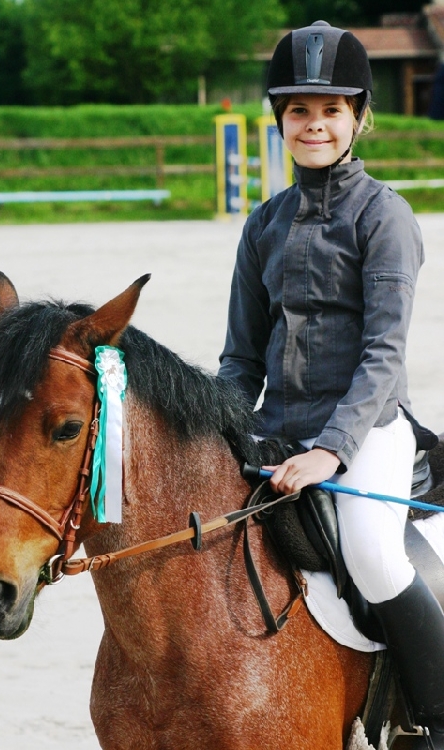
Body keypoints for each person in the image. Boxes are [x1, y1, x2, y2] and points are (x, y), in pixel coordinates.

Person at [218, 20, 444, 747]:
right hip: (277, 431)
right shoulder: (264, 223)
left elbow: (383, 354)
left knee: (375, 557)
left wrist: (332, 452)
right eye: (298, 111)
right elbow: (240, 360)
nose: (314, 125)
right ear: (280, 120)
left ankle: (436, 718)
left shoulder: (386, 217)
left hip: (366, 429)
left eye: (331, 110)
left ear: (359, 117)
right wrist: (223, 430)